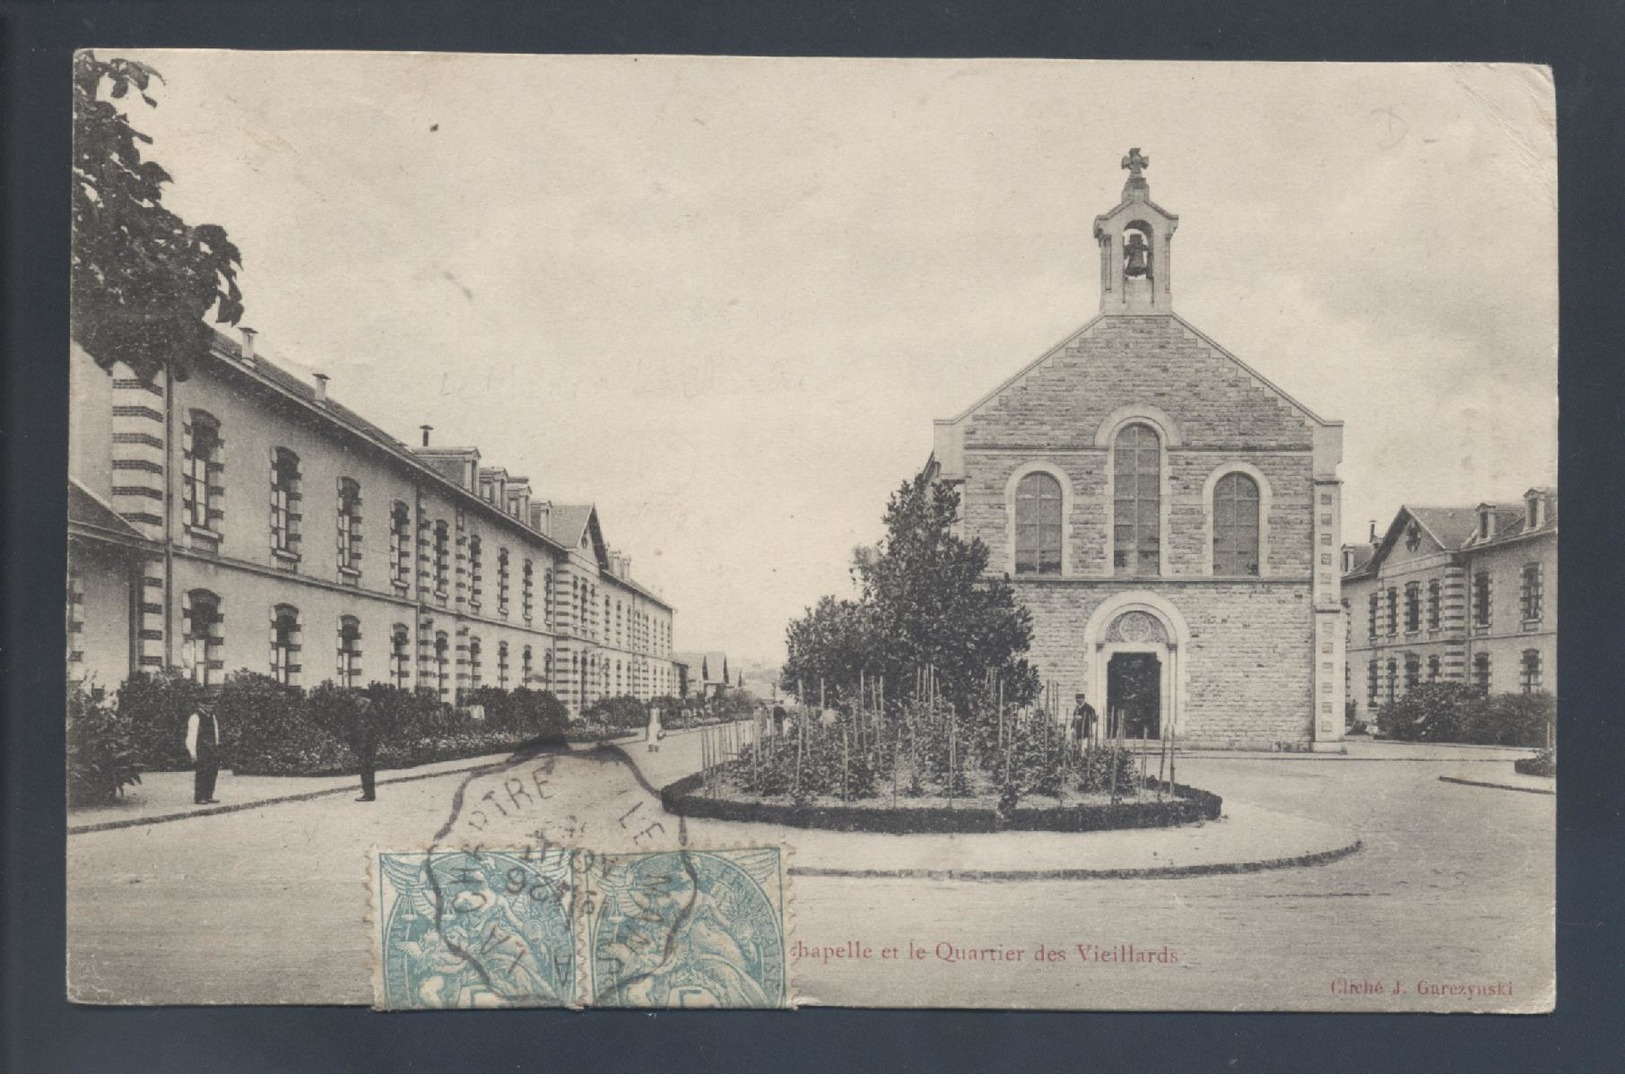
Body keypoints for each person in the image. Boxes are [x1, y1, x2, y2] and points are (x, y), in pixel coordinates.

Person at [185, 694, 222, 804]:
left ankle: (209, 795)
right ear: (201, 705)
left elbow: (215, 733)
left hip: (212, 749)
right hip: (201, 749)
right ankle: (200, 797)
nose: (211, 707)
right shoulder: (195, 718)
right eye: (209, 705)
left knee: (212, 771)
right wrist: (192, 751)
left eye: (212, 705)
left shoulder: (212, 717)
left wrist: (216, 746)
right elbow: (192, 735)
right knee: (202, 772)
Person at [353, 697, 379, 802]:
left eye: (359, 703)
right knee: (367, 770)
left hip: (367, 747)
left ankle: (368, 795)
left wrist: (362, 745)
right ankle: (369, 793)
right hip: (368, 746)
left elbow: (367, 733)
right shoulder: (369, 714)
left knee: (366, 770)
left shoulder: (368, 716)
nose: (358, 705)